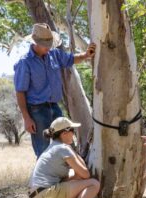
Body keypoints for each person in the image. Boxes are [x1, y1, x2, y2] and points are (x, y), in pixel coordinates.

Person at [14, 23, 96, 157]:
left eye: (49, 44)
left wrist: (86, 55)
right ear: (35, 42)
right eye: (44, 44)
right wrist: (26, 118)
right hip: (37, 111)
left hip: (55, 107)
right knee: (44, 151)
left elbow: (71, 59)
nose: (48, 47)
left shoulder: (55, 54)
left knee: (65, 147)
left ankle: (65, 176)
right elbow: (20, 92)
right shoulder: (25, 62)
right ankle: (46, 177)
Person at [28, 117, 100, 198]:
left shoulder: (53, 146)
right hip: (46, 196)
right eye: (72, 130)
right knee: (94, 184)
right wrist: (74, 152)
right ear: (64, 133)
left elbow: (75, 176)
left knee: (74, 176)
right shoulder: (63, 148)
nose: (74, 134)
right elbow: (86, 174)